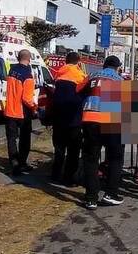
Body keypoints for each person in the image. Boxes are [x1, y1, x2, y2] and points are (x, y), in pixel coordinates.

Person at [81, 56, 125, 210]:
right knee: (115, 158)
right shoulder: (120, 80)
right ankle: (110, 194)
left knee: (90, 158)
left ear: (104, 66)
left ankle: (91, 199)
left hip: (90, 118)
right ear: (117, 68)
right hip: (111, 119)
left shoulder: (92, 76)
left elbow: (78, 91)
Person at [50, 51, 88, 186]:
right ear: (78, 62)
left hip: (58, 118)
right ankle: (69, 178)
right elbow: (85, 97)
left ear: (66, 61)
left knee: (59, 149)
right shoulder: (81, 77)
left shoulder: (58, 75)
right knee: (73, 151)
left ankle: (55, 175)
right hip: (74, 119)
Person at [4, 49, 37, 176]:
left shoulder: (11, 71)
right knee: (24, 139)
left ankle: (14, 162)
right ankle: (22, 163)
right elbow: (27, 99)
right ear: (29, 59)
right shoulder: (28, 76)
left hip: (10, 110)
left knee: (11, 139)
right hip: (22, 112)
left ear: (18, 58)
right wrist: (35, 108)